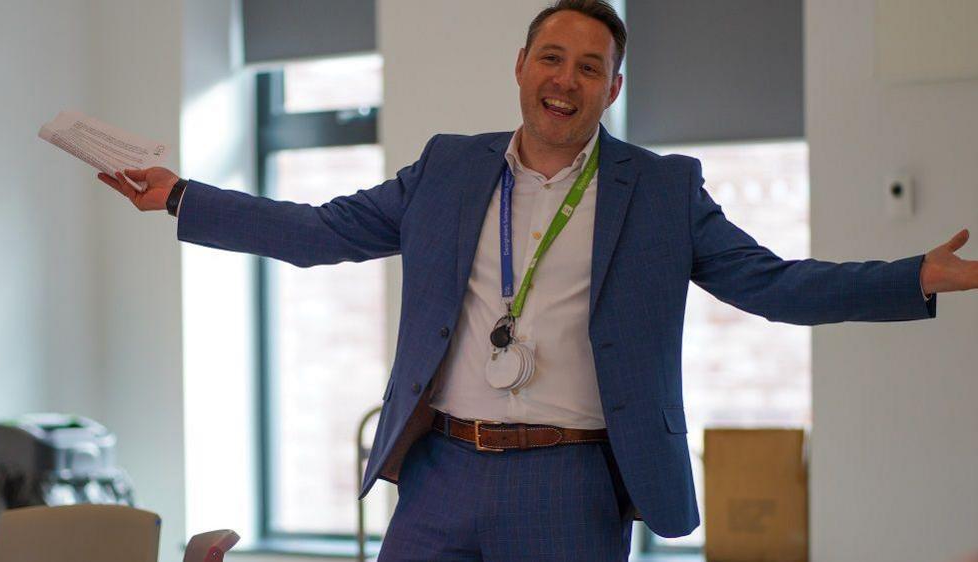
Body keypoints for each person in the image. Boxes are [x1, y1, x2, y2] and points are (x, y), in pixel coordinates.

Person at [98, 1, 978, 560]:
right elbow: (322, 231)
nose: (566, 80)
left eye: (588, 67)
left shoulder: (660, 190)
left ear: (612, 88)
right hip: (439, 471)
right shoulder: (446, 169)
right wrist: (183, 198)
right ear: (521, 67)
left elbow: (771, 284)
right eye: (551, 58)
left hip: (571, 483)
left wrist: (914, 277)